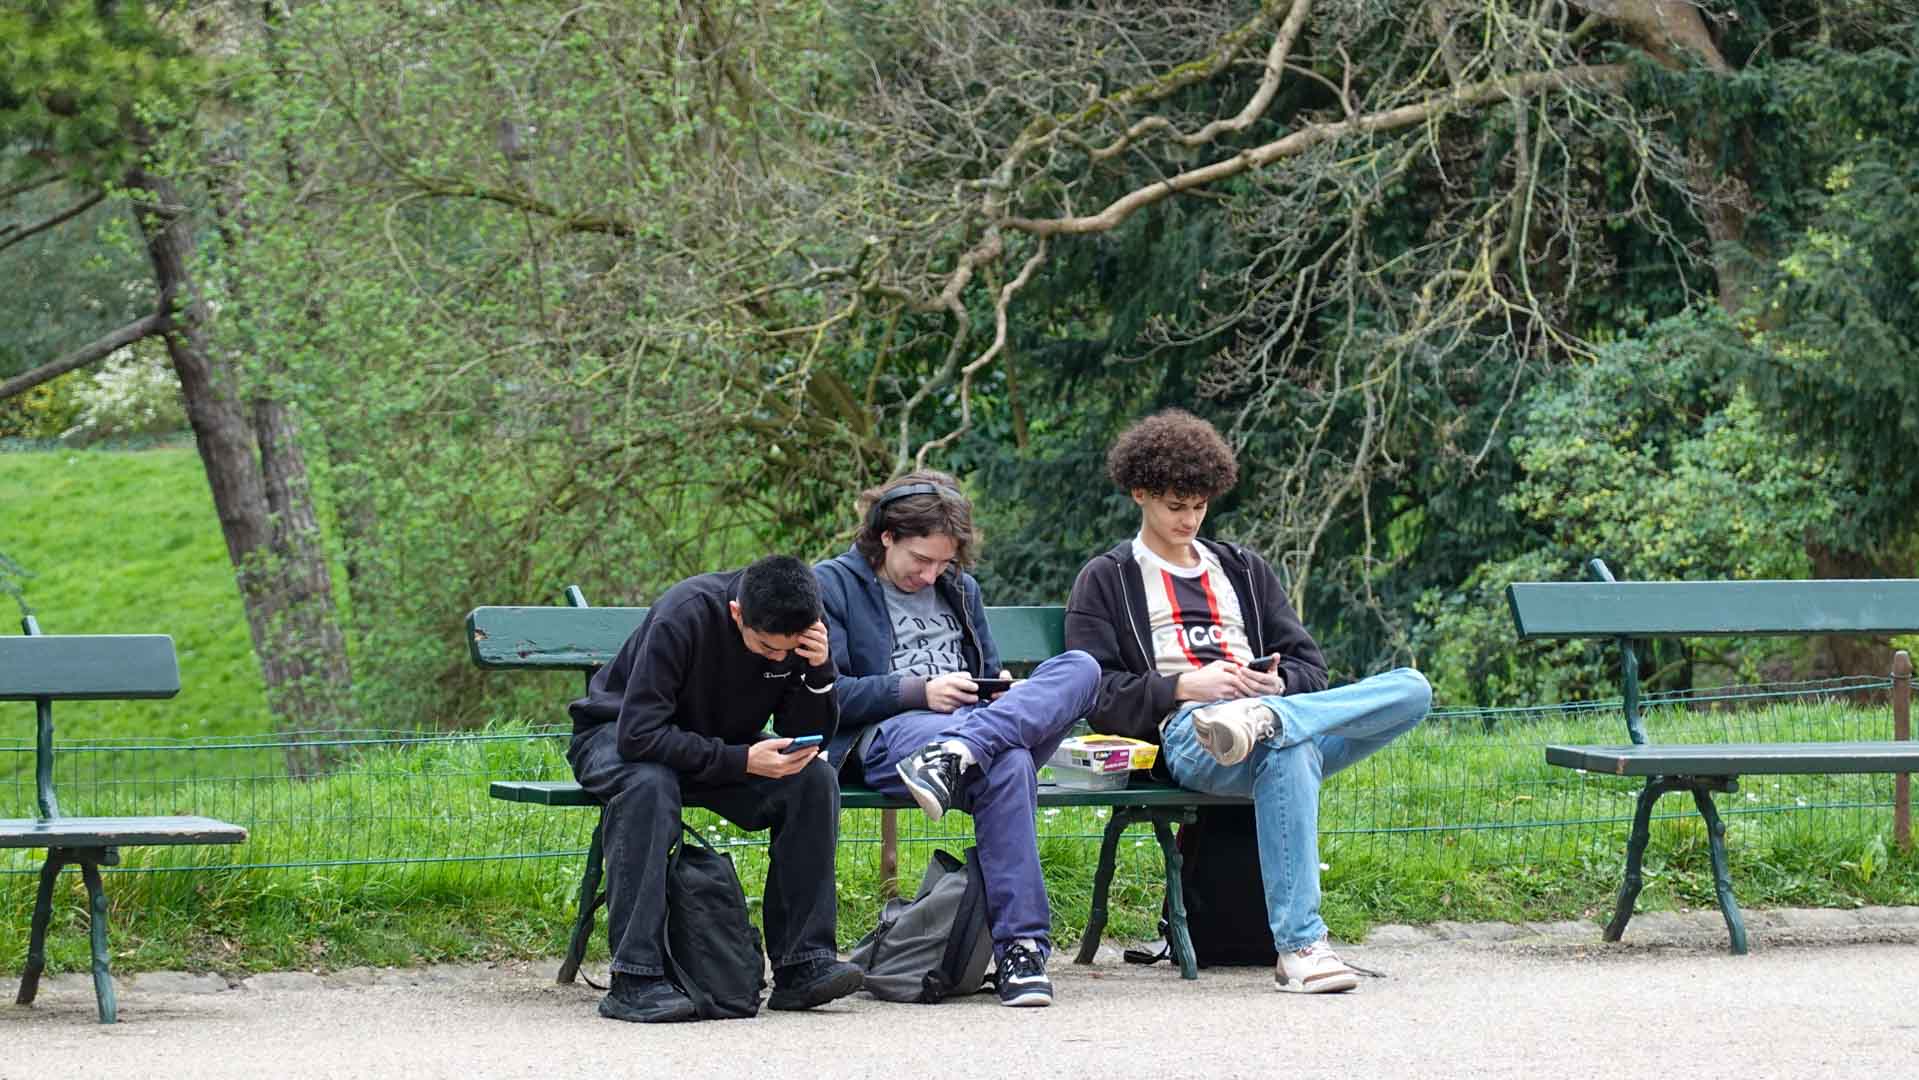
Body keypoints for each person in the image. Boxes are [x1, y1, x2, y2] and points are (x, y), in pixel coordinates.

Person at [1064, 409, 1431, 994]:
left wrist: (1276, 688)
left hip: (1264, 719)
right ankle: (1302, 947)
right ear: (1140, 494)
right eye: (1175, 506)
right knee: (1289, 747)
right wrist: (1187, 686)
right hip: (1193, 731)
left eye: (1200, 506)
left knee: (1412, 689)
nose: (1189, 520)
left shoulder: (1243, 569)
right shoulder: (1108, 578)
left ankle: (1269, 720)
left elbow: (1310, 667)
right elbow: (1095, 692)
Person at [815, 471, 1101, 1008]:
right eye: (920, 560)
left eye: (942, 564)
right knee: (1010, 762)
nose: (930, 575)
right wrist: (920, 691)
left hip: (970, 732)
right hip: (893, 736)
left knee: (1082, 668)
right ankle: (1022, 950)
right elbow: (827, 695)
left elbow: (987, 672)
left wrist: (1000, 692)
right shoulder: (832, 585)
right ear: (886, 536)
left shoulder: (962, 590)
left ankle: (962, 750)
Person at [567, 554, 863, 1022]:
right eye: (766, 649)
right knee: (649, 784)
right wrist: (741, 760)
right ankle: (635, 978)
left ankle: (803, 964)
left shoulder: (799, 626)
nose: (778, 658)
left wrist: (819, 673)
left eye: (788, 651)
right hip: (616, 735)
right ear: (737, 614)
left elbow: (807, 733)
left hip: (716, 745)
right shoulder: (684, 613)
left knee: (813, 779)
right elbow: (638, 735)